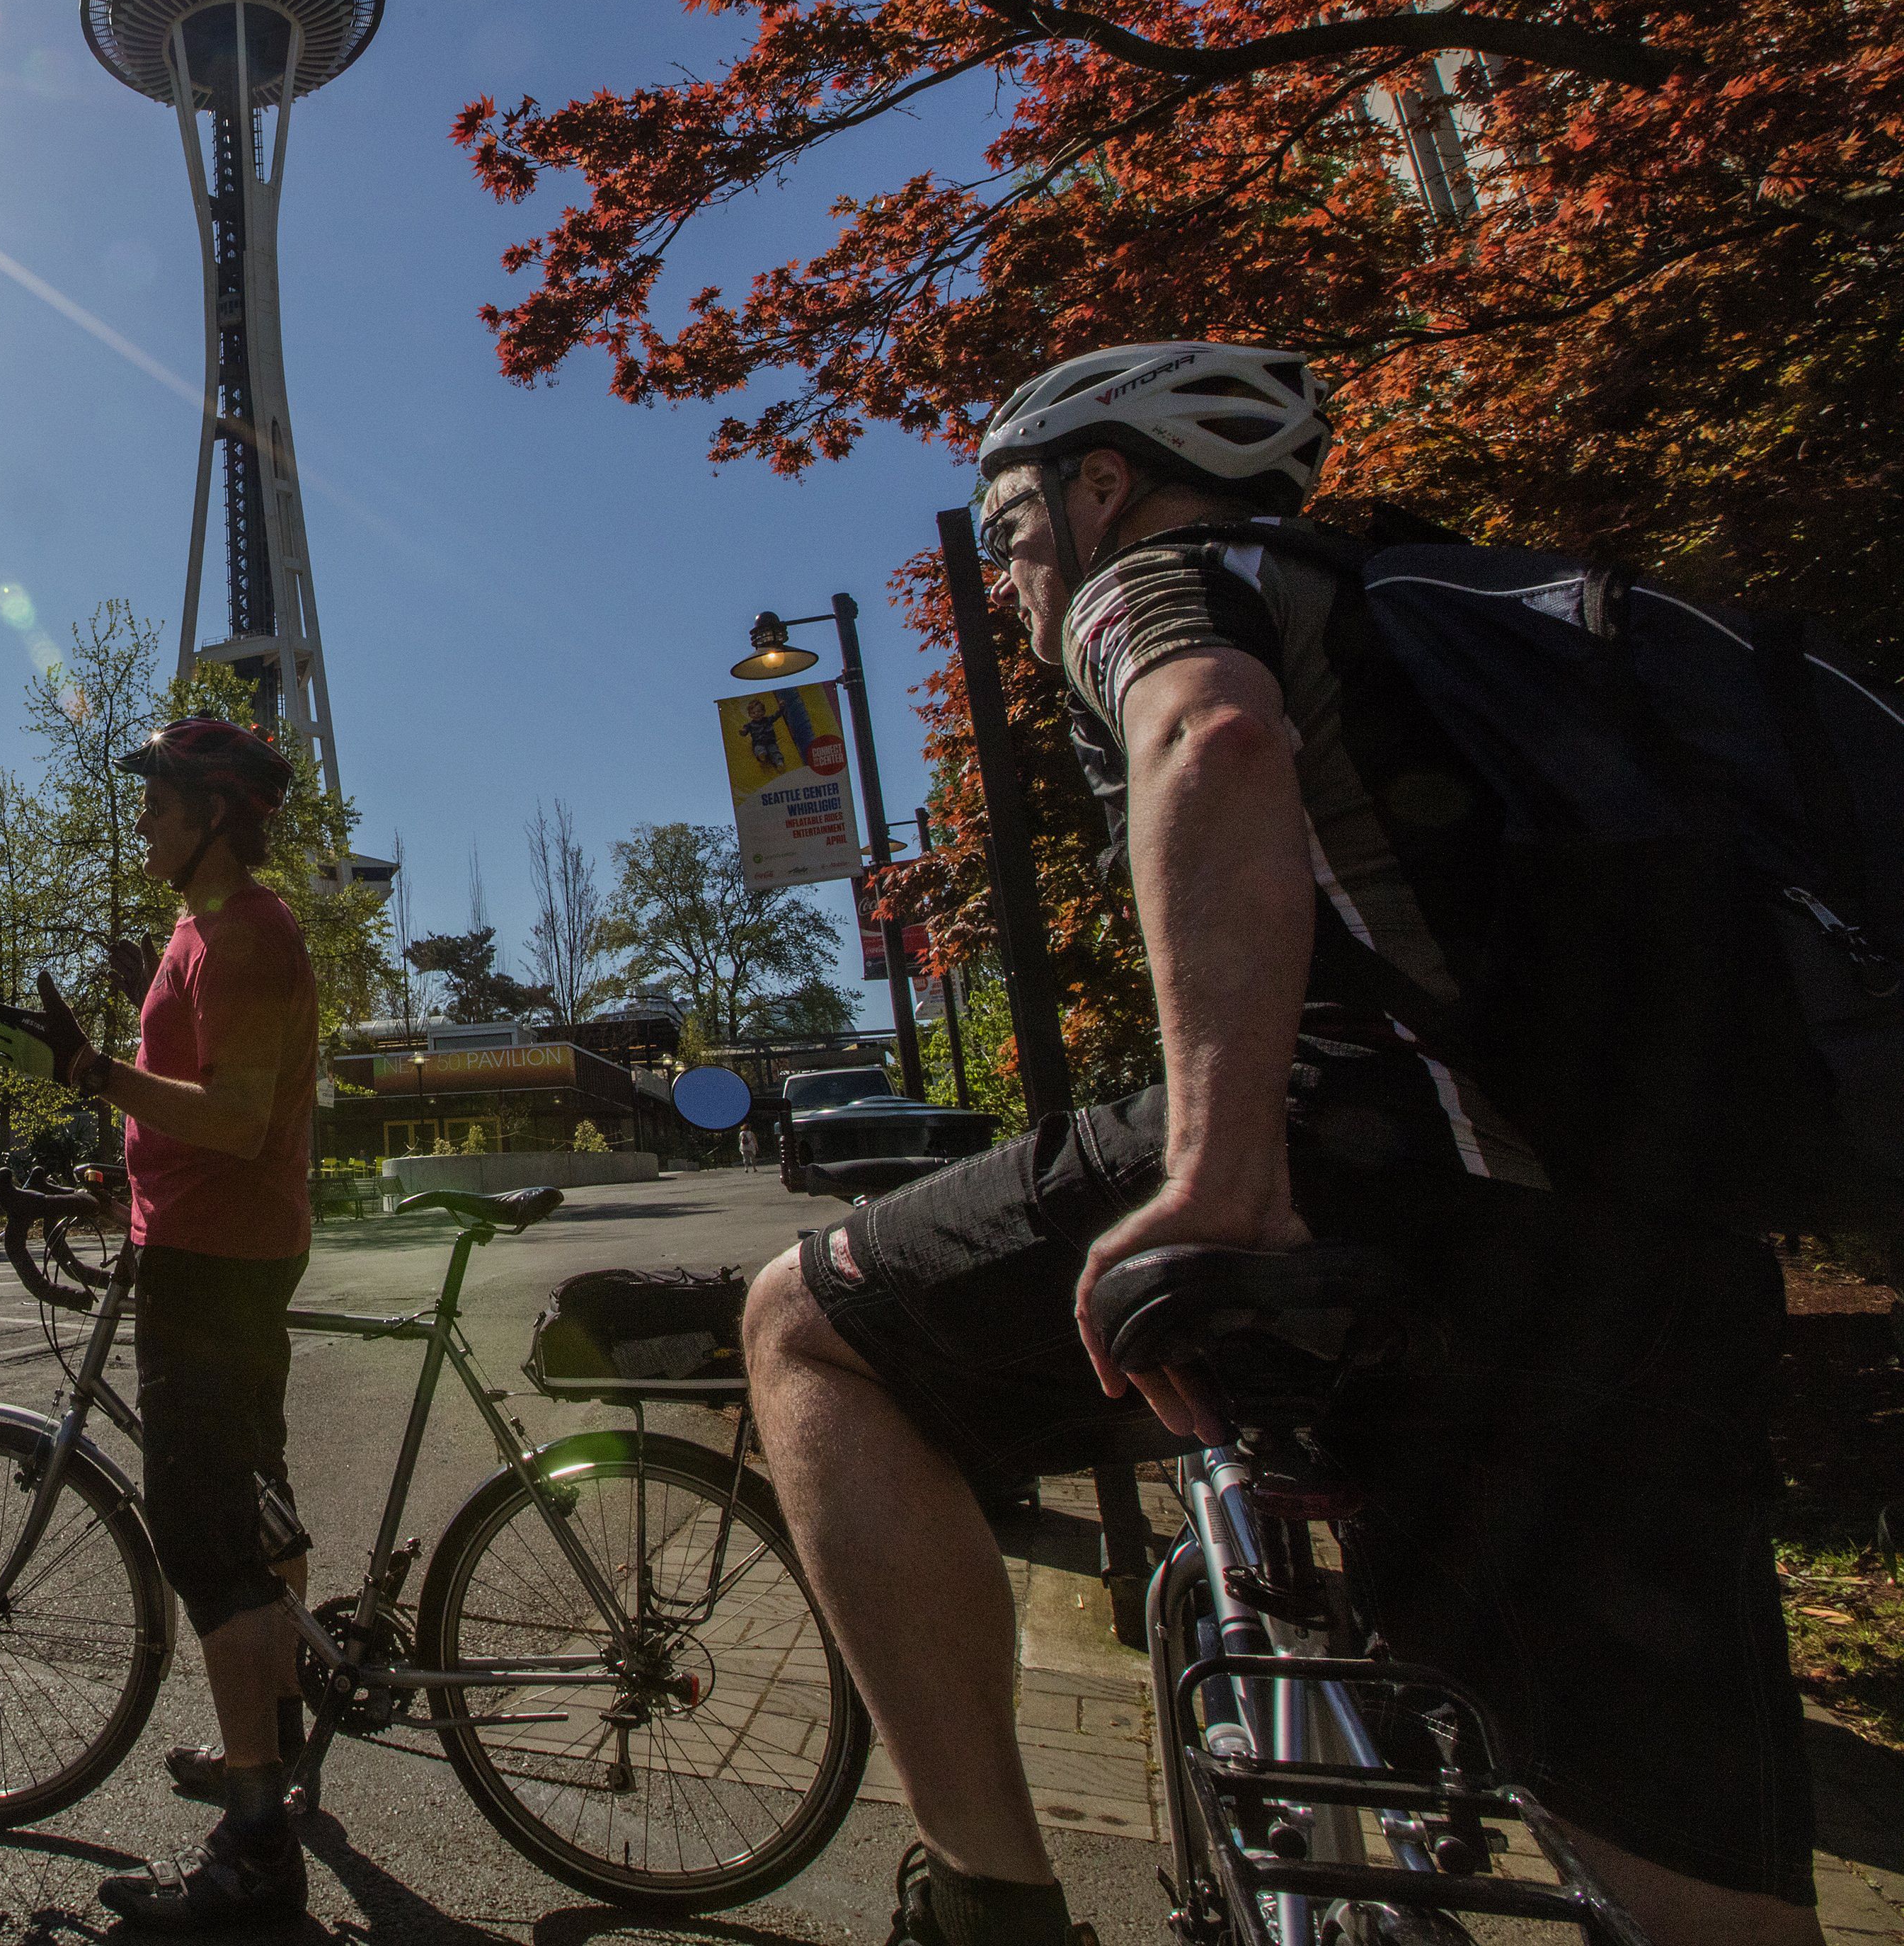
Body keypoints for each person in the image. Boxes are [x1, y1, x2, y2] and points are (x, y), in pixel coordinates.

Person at [738, 342, 1815, 1946]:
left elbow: (1213, 739)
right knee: (1702, 1893)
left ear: (1094, 484)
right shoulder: (1429, 612)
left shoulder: (1167, 574)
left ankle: (984, 1900)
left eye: (1011, 528)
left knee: (806, 1328)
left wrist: (1216, 1165)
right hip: (1648, 1248)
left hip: (1369, 1164)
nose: (1019, 581)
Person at [0, 716, 324, 1929]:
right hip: (201, 1242)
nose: (143, 819)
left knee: (207, 1539)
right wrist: (120, 1150)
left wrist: (92, 1074)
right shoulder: (190, 935)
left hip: (218, 1265)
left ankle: (258, 1854)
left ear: (216, 812)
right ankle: (267, 1751)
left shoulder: (251, 935)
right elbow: (190, 1100)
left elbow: (236, 1117)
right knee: (253, 1510)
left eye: (161, 800)